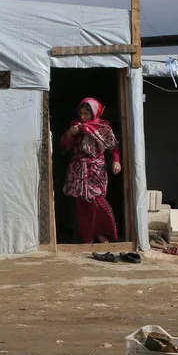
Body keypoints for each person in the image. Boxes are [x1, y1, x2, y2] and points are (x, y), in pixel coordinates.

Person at [61, 97, 122, 244]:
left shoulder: (103, 127)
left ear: (95, 114)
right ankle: (88, 238)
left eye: (86, 114)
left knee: (97, 201)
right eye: (81, 113)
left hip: (96, 170)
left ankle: (103, 233)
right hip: (78, 171)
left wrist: (116, 161)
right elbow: (63, 147)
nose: (82, 117)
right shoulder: (75, 126)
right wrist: (69, 134)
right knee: (82, 207)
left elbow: (113, 146)